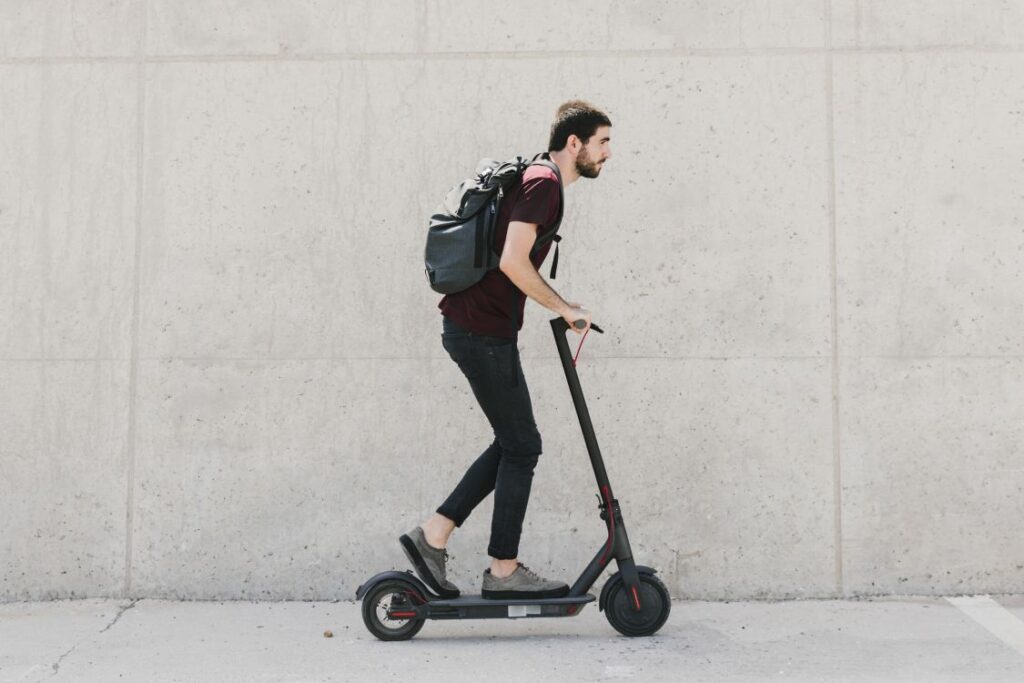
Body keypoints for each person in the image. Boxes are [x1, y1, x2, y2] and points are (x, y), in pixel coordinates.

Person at [400, 100, 613, 599]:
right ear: (574, 143)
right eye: (602, 142)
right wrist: (562, 307)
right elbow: (514, 261)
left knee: (513, 442)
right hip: (480, 331)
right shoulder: (543, 184)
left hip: (480, 329)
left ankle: (434, 536)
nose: (608, 153)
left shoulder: (538, 179)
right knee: (522, 445)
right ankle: (501, 570)